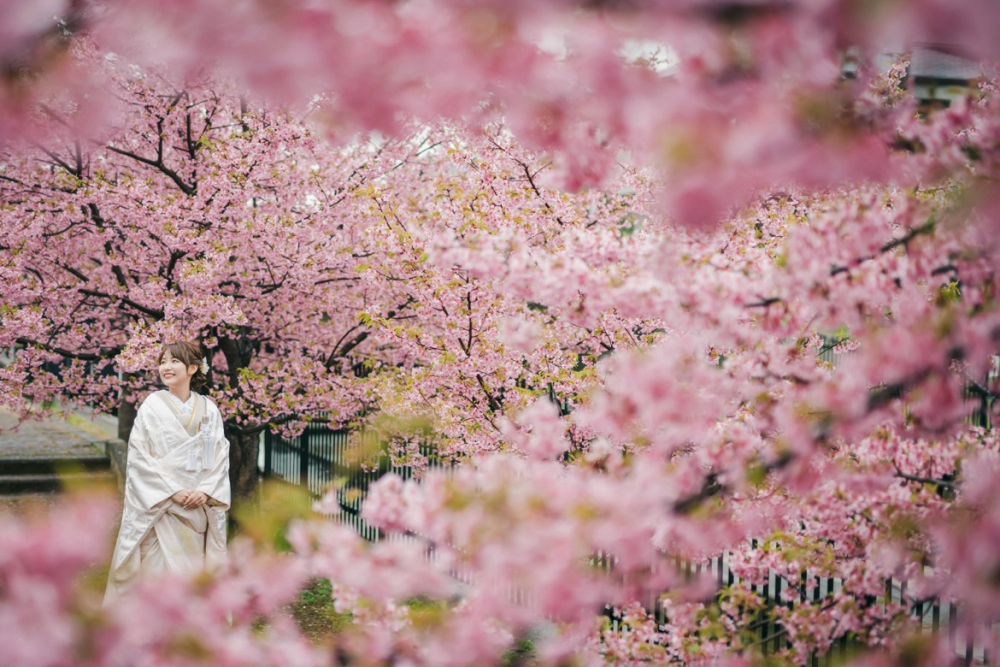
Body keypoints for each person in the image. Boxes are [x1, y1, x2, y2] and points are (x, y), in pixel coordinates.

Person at [104, 341, 230, 604]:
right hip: (162, 507)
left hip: (196, 508)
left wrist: (206, 491)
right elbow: (139, 456)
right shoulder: (151, 405)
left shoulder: (210, 409)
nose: (166, 367)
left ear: (193, 368)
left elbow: (218, 457)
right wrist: (172, 491)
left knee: (192, 582)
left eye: (174, 361)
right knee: (156, 583)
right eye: (163, 361)